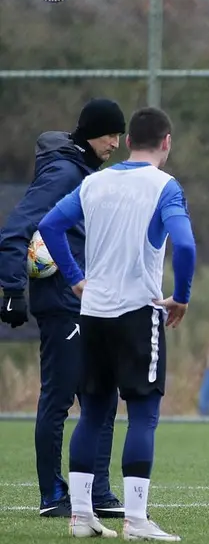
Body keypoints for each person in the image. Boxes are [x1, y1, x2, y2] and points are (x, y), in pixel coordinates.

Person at [37, 106, 196, 541]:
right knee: (142, 414)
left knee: (92, 412)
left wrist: (76, 278)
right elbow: (184, 245)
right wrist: (181, 296)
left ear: (127, 142)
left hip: (94, 313)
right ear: (167, 142)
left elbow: (50, 225)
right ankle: (137, 520)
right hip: (138, 311)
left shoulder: (95, 182)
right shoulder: (164, 186)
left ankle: (81, 516)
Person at [0, 98, 126, 519]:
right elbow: (15, 229)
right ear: (90, 134)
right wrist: (12, 288)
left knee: (102, 396)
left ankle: (98, 492)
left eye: (119, 135)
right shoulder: (65, 173)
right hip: (62, 302)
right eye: (110, 134)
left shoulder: (86, 172)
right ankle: (53, 494)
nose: (115, 143)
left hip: (90, 302)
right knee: (59, 396)